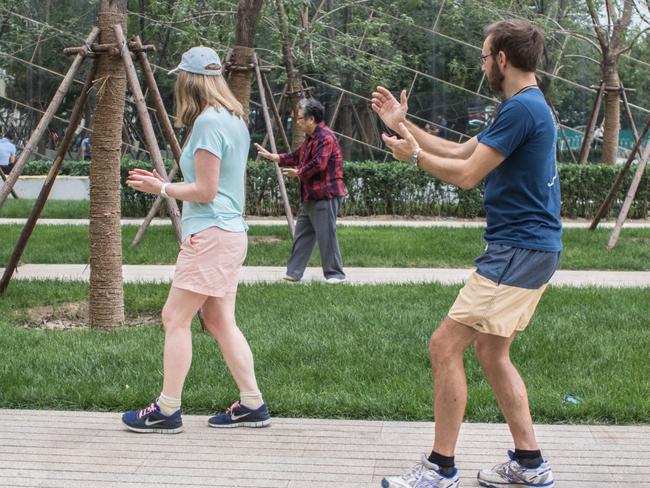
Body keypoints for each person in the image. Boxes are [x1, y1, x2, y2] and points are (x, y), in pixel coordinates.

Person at [372, 19, 560, 488]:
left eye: (483, 57)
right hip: (528, 248)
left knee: (444, 345)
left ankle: (440, 468)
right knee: (492, 353)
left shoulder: (522, 110)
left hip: (519, 249)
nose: (482, 66)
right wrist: (403, 126)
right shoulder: (520, 107)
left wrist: (412, 157)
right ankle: (530, 463)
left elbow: (466, 176)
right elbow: (458, 152)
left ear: (501, 58)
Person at [122, 46, 270, 433]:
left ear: (189, 80)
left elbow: (206, 190)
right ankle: (252, 403)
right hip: (230, 232)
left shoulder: (207, 123)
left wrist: (162, 187)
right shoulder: (234, 118)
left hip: (212, 234)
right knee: (220, 321)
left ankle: (167, 409)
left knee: (174, 317)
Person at [255, 98, 347, 284]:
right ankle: (294, 272)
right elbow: (297, 156)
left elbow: (319, 164)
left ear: (311, 119)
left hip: (325, 195)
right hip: (311, 195)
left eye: (299, 118)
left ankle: (335, 274)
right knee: (303, 234)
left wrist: (298, 173)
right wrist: (275, 157)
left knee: (326, 235)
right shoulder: (311, 139)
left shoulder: (325, 138)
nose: (297, 122)